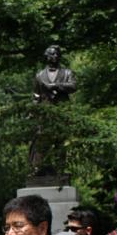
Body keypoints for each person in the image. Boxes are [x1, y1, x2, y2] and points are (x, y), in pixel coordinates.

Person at [30, 44, 77, 175]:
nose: (56, 56)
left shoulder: (67, 73)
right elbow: (36, 95)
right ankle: (37, 169)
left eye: (57, 54)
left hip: (62, 112)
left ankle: (60, 169)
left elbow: (73, 86)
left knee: (60, 142)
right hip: (45, 114)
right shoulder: (39, 75)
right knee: (42, 140)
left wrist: (56, 85)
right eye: (53, 54)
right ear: (47, 56)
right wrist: (33, 111)